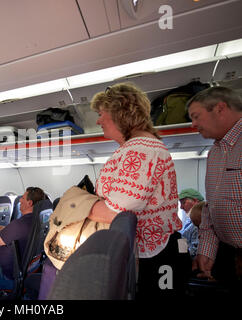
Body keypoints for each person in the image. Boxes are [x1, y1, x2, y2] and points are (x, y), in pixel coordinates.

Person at [87, 83, 189, 299]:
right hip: (144, 252)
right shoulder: (135, 148)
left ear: (119, 113)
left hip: (156, 255)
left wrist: (79, 206)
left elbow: (117, 213)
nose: (98, 120)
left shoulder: (141, 150)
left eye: (100, 113)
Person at [187, 86, 241, 293]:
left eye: (196, 116)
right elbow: (211, 209)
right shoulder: (215, 153)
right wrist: (206, 250)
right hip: (228, 256)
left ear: (220, 108)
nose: (193, 124)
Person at [0, 187, 45, 290]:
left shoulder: (20, 224)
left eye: (23, 198)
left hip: (7, 276)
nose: (20, 200)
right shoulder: (36, 221)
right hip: (22, 274)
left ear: (29, 203)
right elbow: (7, 229)